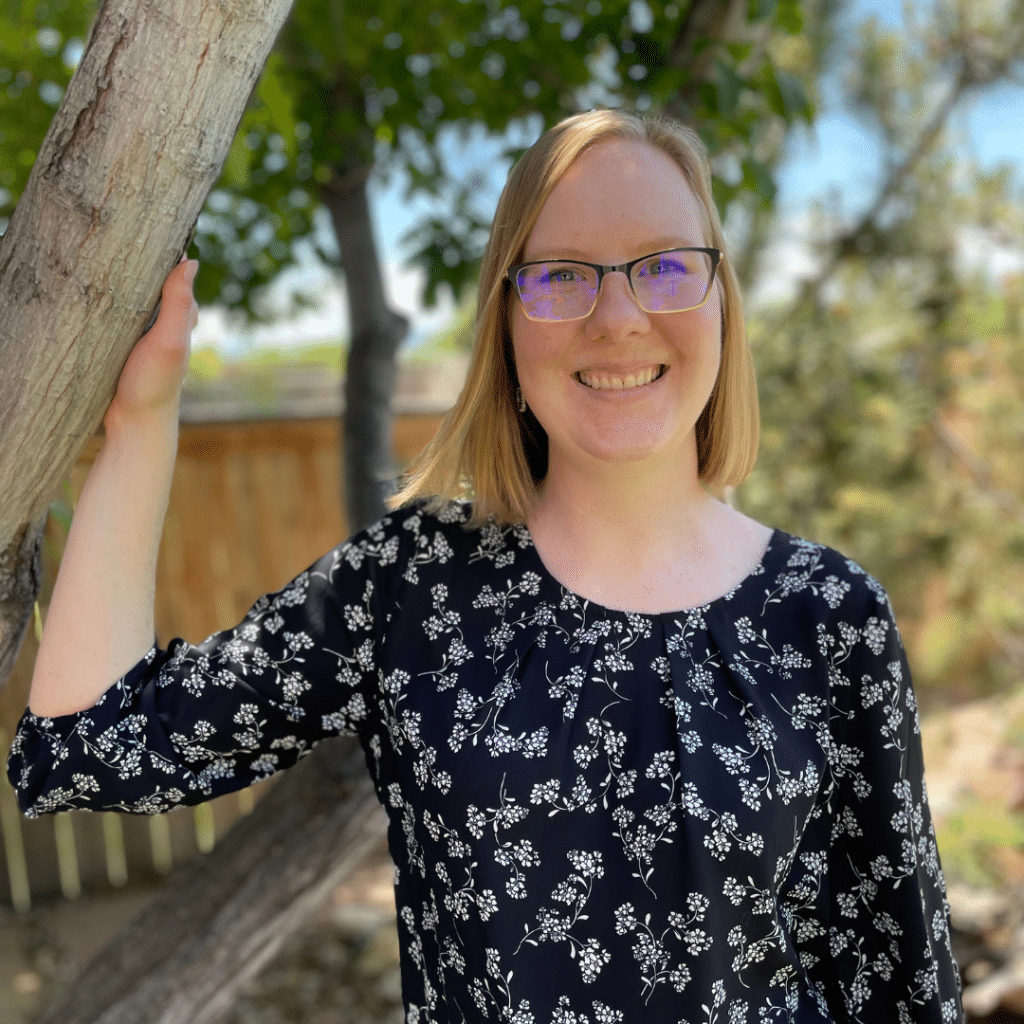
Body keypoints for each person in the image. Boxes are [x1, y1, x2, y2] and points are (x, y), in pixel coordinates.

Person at [7, 109, 964, 1023]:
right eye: (560, 277)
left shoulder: (831, 619)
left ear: (722, 300)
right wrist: (142, 419)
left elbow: (899, 980)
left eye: (667, 266)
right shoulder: (414, 586)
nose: (620, 316)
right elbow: (91, 742)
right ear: (506, 322)